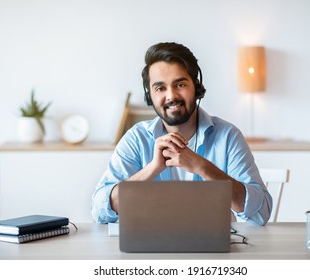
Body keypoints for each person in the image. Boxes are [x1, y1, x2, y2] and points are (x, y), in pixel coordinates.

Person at [91, 42, 272, 226]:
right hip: (149, 252)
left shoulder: (227, 136)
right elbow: (99, 211)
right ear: (150, 95)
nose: (171, 96)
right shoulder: (136, 139)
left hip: (213, 253)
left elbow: (260, 214)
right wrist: (151, 169)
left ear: (196, 86)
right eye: (160, 88)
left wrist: (203, 167)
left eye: (180, 84)